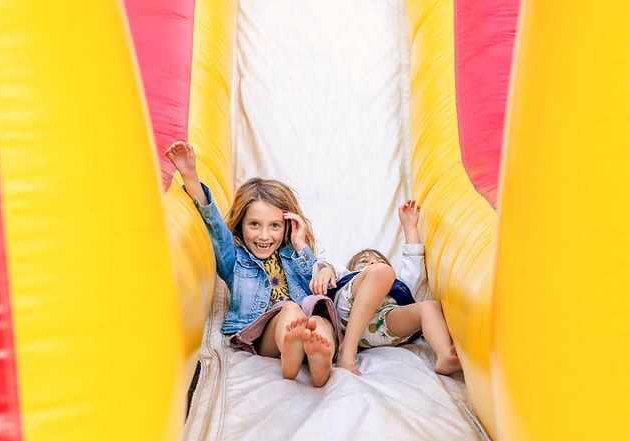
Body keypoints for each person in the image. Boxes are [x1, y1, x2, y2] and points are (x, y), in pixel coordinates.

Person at [165, 140, 341, 387]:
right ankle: (291, 351)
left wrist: (302, 246)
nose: (264, 236)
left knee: (319, 318)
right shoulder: (235, 259)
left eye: (275, 226)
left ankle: (319, 360)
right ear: (241, 224)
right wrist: (190, 174)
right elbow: (214, 224)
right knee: (290, 311)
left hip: (305, 321)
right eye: (254, 224)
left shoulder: (293, 255)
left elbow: (315, 285)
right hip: (266, 332)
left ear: (287, 225)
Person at [312, 200, 460, 376]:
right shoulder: (346, 275)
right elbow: (329, 273)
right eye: (364, 262)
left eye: (378, 260)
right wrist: (326, 270)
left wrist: (410, 227)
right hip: (350, 312)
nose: (373, 262)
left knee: (430, 307)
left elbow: (413, 266)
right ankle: (347, 351)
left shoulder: (395, 286)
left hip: (383, 325)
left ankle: (443, 355)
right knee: (380, 273)